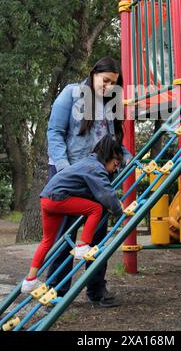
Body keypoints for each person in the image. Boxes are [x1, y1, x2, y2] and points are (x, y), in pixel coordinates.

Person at [46, 57, 132, 307]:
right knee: (66, 235)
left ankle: (96, 290)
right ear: (93, 74)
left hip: (97, 177)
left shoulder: (111, 102)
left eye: (113, 84)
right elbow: (55, 132)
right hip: (70, 175)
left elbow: (112, 141)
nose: (108, 87)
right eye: (104, 81)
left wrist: (127, 157)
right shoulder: (71, 94)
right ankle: (56, 290)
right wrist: (63, 169)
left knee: (97, 236)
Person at [21, 135, 124, 294]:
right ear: (108, 158)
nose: (115, 169)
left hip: (46, 198)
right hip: (59, 198)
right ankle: (83, 246)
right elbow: (106, 195)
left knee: (47, 241)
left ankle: (30, 280)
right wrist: (119, 210)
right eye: (115, 164)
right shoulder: (96, 169)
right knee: (95, 208)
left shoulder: (86, 163)